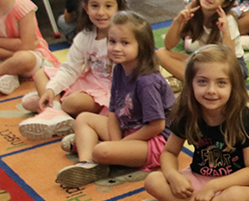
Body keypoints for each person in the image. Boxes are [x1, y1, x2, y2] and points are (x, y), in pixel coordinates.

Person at [134, 45, 249, 201]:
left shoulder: (243, 118)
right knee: (153, 180)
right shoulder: (188, 113)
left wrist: (214, 187)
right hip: (199, 178)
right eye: (202, 82)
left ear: (234, 86)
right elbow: (169, 152)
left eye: (221, 83)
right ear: (191, 84)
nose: (211, 91)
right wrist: (173, 177)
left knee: (236, 198)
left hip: (238, 183)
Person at [55, 11, 176, 189]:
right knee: (83, 118)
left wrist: (118, 144)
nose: (116, 48)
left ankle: (93, 149)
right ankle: (87, 163)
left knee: (102, 151)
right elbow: (113, 111)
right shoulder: (119, 69)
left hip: (156, 142)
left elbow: (157, 126)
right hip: (128, 128)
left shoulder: (146, 82)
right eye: (112, 41)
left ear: (142, 46)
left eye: (124, 43)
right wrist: (116, 141)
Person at [17, 0, 126, 141]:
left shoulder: (124, 37)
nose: (101, 12)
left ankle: (52, 106)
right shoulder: (85, 36)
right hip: (88, 81)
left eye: (108, 6)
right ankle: (53, 109)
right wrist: (51, 89)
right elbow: (70, 69)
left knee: (72, 103)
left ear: (119, 9)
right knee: (41, 75)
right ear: (86, 8)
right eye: (95, 6)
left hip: (111, 91)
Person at [161, 0, 249, 87]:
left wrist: (225, 32)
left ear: (225, 3)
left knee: (215, 73)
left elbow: (229, 59)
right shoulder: (193, 12)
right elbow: (168, 45)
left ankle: (192, 81)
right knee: (160, 53)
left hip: (230, 66)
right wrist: (178, 21)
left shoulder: (227, 19)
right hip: (205, 60)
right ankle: (196, 80)